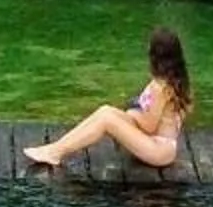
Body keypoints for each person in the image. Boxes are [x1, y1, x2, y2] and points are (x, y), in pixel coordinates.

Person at [24, 28, 192, 170]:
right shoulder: (178, 81)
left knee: (107, 120)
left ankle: (55, 153)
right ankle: (55, 148)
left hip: (158, 149)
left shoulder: (161, 87)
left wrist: (132, 113)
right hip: (161, 145)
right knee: (105, 110)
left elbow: (148, 126)